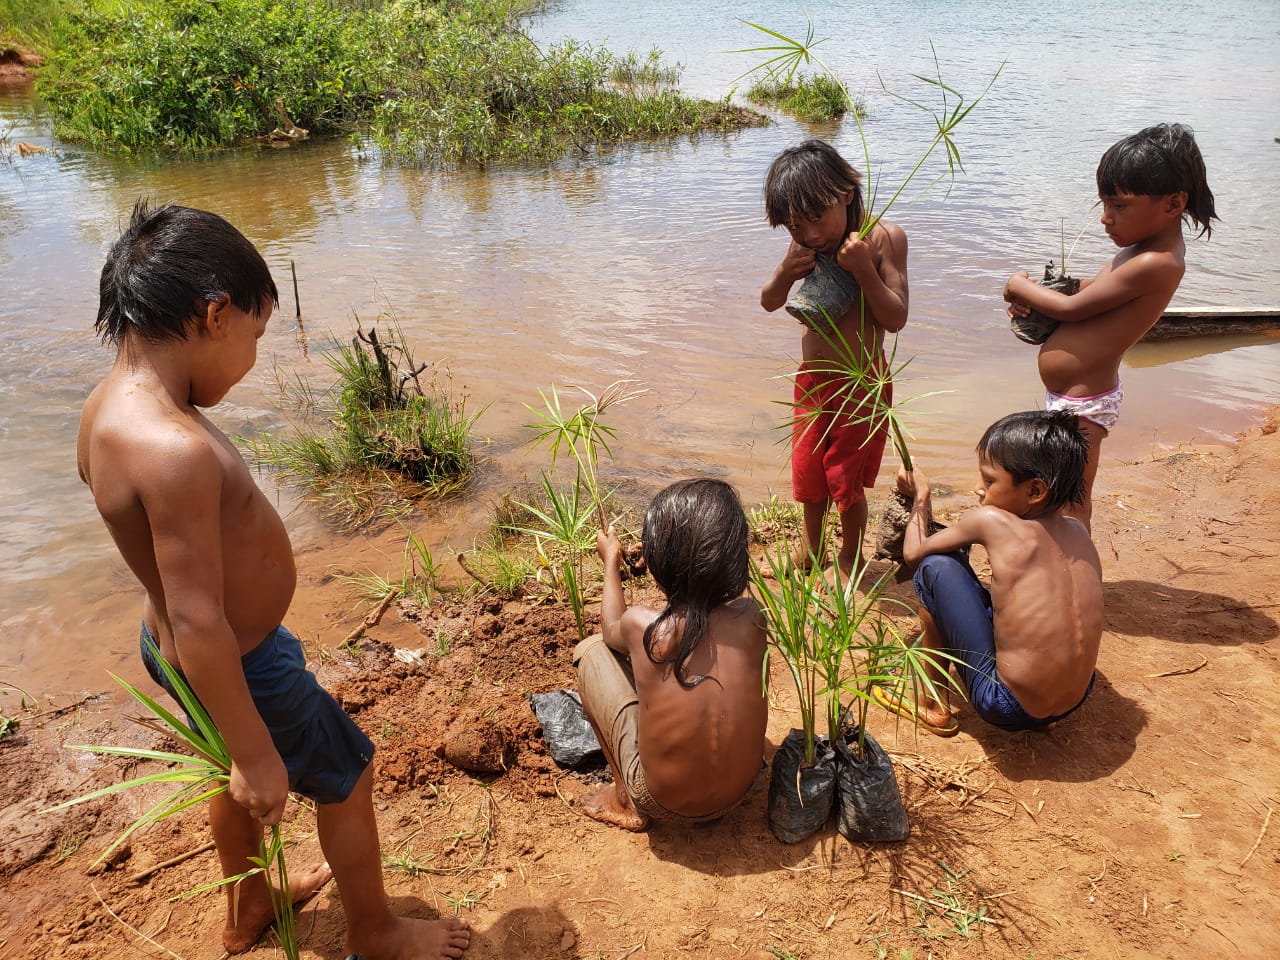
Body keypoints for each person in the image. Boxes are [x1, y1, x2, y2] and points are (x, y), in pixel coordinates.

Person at [77, 201, 470, 960]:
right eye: (256, 337)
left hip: (178, 650)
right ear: (215, 315)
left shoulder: (105, 410)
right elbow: (200, 617)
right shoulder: (172, 448)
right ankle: (376, 931)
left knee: (225, 770)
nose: (254, 356)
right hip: (237, 659)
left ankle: (248, 905)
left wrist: (242, 749)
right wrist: (259, 754)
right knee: (347, 772)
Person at [1004, 122, 1217, 530]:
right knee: (1058, 492)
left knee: (1072, 502)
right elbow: (1092, 291)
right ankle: (1060, 562)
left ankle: (1078, 569)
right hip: (1074, 394)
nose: (1105, 218)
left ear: (1173, 204)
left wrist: (1019, 285)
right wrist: (1041, 296)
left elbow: (1074, 309)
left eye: (1119, 206)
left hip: (1084, 400)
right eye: (1103, 204)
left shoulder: (1156, 262)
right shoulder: (1143, 252)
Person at [878, 411, 1103, 735]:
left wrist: (921, 497)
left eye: (989, 481)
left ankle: (932, 702)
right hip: (1076, 698)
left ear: (1035, 491)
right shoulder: (1078, 531)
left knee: (934, 567)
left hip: (1008, 705)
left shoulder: (990, 522)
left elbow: (914, 554)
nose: (978, 489)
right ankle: (1043, 708)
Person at [572, 478, 768, 831]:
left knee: (590, 652)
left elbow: (610, 627)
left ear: (658, 562)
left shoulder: (644, 628)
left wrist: (611, 562)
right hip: (740, 792)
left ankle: (625, 799)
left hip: (662, 803)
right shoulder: (752, 618)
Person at [760, 139, 909, 578]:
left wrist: (863, 268)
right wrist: (785, 272)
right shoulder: (807, 248)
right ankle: (812, 548)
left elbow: (896, 318)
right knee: (809, 471)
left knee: (846, 478)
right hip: (814, 380)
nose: (809, 234)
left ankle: (850, 555)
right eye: (794, 226)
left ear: (845, 194)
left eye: (816, 218)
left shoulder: (881, 239)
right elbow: (769, 302)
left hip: (860, 382)